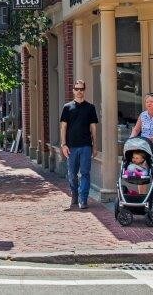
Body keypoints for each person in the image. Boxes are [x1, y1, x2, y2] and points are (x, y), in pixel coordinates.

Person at [60, 80, 99, 210]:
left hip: (86, 146)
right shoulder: (67, 107)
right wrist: (63, 144)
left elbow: (93, 127)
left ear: (84, 90)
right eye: (77, 89)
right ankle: (74, 195)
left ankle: (83, 199)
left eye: (81, 89)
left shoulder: (90, 107)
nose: (79, 91)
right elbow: (63, 127)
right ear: (73, 90)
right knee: (71, 174)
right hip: (71, 146)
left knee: (85, 173)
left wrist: (95, 145)